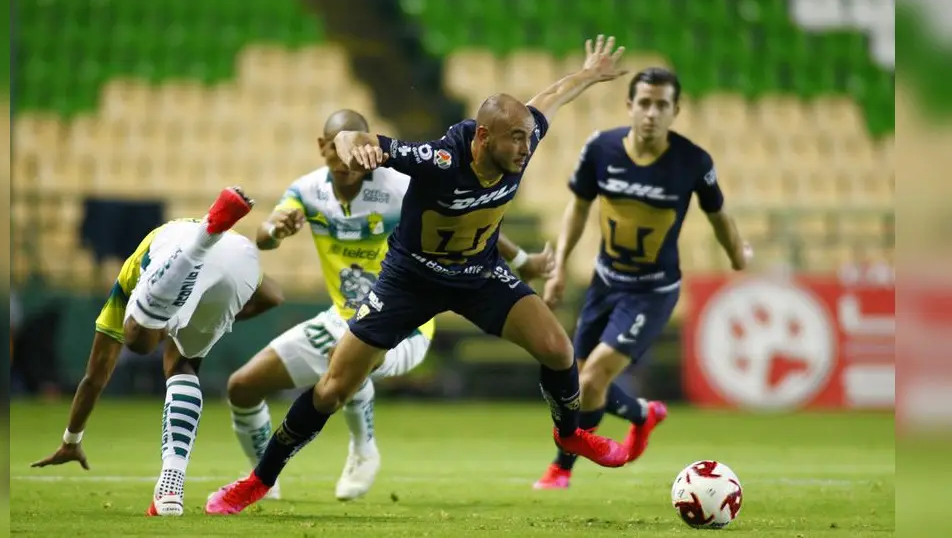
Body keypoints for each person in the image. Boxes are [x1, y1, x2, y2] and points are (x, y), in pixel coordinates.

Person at [205, 35, 632, 515]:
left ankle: (571, 434)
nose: (526, 146)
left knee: (557, 349)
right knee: (332, 389)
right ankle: (257, 481)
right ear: (484, 138)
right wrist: (352, 145)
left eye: (528, 137)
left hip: (478, 273)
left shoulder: (521, 140)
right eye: (516, 138)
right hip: (410, 279)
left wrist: (588, 74)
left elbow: (548, 97)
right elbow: (358, 139)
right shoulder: (441, 161)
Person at [226, 109, 556, 502]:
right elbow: (264, 237)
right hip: (340, 318)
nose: (349, 161)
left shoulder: (399, 184)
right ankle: (267, 478)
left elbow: (470, 220)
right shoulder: (307, 191)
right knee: (242, 386)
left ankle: (363, 449)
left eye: (357, 150)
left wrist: (523, 263)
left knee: (352, 358)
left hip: (404, 321)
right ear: (323, 148)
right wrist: (275, 230)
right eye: (337, 149)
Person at [533, 68, 753, 489]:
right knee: (575, 381)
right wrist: (560, 263)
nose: (652, 113)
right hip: (604, 282)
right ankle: (640, 414)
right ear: (630, 106)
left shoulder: (692, 161)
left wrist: (737, 254)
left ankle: (562, 466)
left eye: (662, 105)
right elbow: (578, 207)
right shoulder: (601, 149)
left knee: (593, 377)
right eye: (645, 103)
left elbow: (719, 215)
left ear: (675, 111)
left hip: (651, 292)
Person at [31, 187, 285, 517]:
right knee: (181, 365)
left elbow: (95, 378)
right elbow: (274, 296)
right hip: (240, 257)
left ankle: (194, 253)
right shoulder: (210, 242)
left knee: (137, 341)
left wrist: (72, 438)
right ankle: (170, 485)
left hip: (185, 249)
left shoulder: (126, 279)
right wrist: (221, 317)